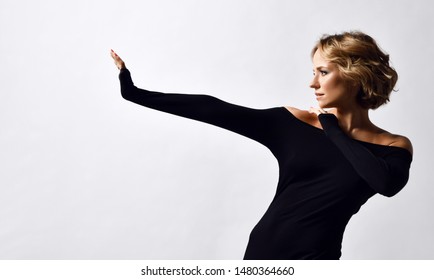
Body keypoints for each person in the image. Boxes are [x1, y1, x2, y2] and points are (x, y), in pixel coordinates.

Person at [110, 31, 413, 260]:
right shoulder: (292, 124)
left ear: (354, 75)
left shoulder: (392, 147)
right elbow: (215, 109)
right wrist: (137, 94)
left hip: (320, 260)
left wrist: (333, 129)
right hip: (266, 252)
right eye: (313, 72)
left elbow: (384, 183)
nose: (313, 83)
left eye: (323, 72)